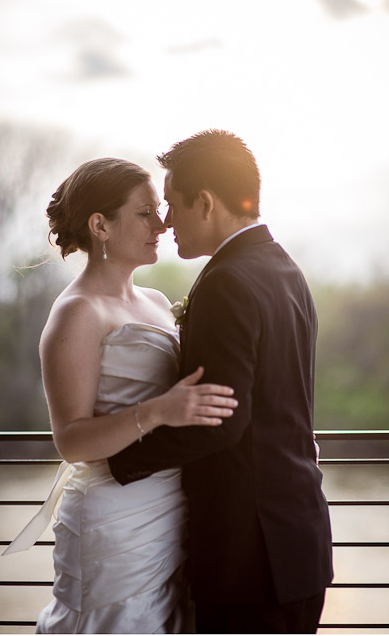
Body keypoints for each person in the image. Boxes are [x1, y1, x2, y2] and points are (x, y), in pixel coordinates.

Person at [107, 130, 334, 634]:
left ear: (205, 203)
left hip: (249, 559)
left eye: (172, 204)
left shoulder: (228, 281)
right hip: (296, 544)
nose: (166, 222)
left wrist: (116, 462)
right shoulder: (285, 269)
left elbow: (218, 423)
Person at [4, 157, 239, 633]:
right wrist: (158, 411)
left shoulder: (155, 301)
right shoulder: (76, 313)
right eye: (145, 213)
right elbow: (70, 440)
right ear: (100, 226)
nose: (163, 223)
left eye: (160, 210)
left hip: (173, 509)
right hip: (114, 517)